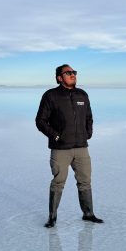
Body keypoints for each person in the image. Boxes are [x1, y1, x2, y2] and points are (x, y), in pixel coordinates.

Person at [35, 64, 104, 228]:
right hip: (60, 149)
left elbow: (89, 117)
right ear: (59, 78)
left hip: (81, 147)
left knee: (85, 181)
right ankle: (52, 218)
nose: (73, 75)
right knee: (58, 181)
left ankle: (88, 214)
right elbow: (40, 121)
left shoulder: (82, 95)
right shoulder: (51, 96)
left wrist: (88, 133)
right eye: (68, 73)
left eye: (74, 72)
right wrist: (56, 136)